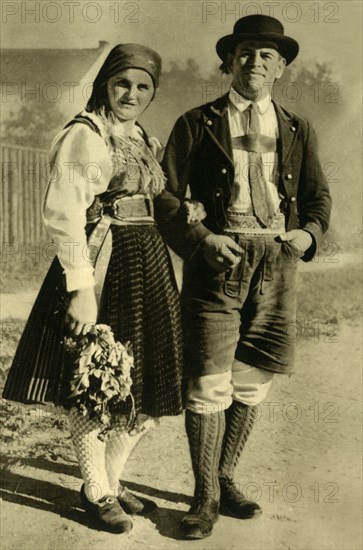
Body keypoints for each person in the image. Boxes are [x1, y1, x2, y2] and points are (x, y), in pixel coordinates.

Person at [154, 15, 332, 539]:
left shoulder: (297, 127)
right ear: (230, 62)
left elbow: (319, 197)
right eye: (247, 53)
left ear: (282, 68)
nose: (256, 63)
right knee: (209, 381)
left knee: (253, 379)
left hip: (277, 264)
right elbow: (164, 196)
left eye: (267, 56)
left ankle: (226, 477)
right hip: (218, 263)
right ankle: (203, 497)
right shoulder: (196, 122)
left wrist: (310, 235)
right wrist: (202, 240)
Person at [3, 43, 183, 534]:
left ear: (152, 92)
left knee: (144, 378)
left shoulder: (142, 136)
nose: (132, 93)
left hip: (145, 261)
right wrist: (81, 289)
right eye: (123, 82)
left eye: (143, 86)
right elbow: (64, 216)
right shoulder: (85, 135)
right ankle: (94, 488)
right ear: (106, 82)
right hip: (103, 262)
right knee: (97, 377)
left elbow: (155, 198)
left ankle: (114, 479)